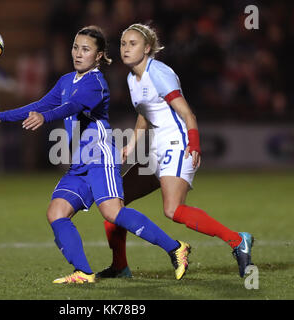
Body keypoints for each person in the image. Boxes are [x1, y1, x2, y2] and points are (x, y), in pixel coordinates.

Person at [0, 26, 191, 284]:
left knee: (113, 213)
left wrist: (44, 117)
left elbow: (71, 106)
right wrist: (2, 116)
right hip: (79, 162)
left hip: (100, 158)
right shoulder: (66, 81)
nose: (78, 54)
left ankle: (175, 248)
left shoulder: (96, 83)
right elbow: (41, 104)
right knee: (56, 212)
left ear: (99, 55)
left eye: (86, 49)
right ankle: (84, 272)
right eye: (75, 47)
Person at [97, 23, 254, 279]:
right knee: (114, 204)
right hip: (157, 147)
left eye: (132, 43)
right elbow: (145, 115)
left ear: (147, 48)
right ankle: (119, 267)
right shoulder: (131, 78)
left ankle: (238, 241)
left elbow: (187, 112)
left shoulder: (158, 73)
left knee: (173, 211)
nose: (126, 48)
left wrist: (194, 143)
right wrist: (132, 144)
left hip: (176, 144)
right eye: (123, 43)